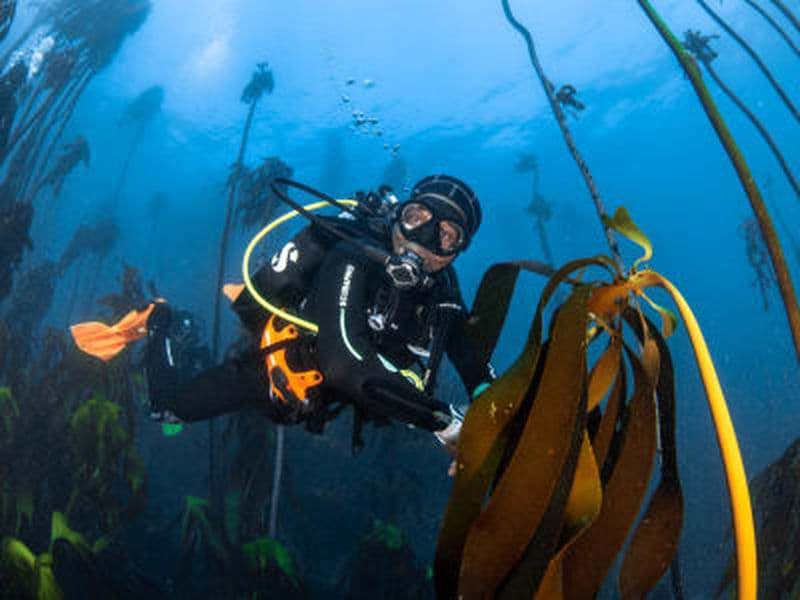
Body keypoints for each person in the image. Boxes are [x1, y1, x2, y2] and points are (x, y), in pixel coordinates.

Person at [73, 175, 494, 451]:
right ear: (399, 218)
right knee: (167, 410)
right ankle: (160, 321)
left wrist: (492, 419)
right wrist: (443, 423)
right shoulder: (352, 254)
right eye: (417, 217)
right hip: (277, 369)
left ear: (456, 252)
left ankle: (191, 335)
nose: (422, 237)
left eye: (445, 234)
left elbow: (478, 372)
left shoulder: (444, 295)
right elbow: (343, 362)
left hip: (332, 395)